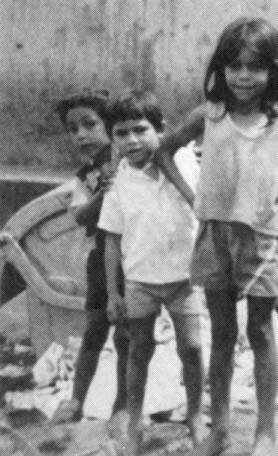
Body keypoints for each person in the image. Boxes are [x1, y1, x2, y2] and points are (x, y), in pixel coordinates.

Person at [154, 17, 278, 456]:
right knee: (220, 335)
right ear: (220, 68)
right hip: (214, 236)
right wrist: (191, 195)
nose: (243, 76)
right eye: (233, 65)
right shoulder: (209, 115)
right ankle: (219, 430)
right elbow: (164, 151)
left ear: (272, 71)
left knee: (260, 332)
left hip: (261, 241)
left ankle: (265, 432)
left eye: (254, 67)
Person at [98, 90, 206, 455]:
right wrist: (113, 293)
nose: (132, 140)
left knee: (191, 348)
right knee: (138, 350)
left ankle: (194, 413)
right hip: (140, 283)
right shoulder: (117, 183)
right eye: (121, 133)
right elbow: (111, 240)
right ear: (112, 139)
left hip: (184, 280)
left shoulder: (187, 165)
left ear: (161, 129)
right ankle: (133, 419)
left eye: (140, 130)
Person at [51, 89, 130, 430]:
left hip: (136, 258)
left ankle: (122, 407)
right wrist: (104, 192)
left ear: (109, 125)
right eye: (73, 129)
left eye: (89, 124)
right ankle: (76, 401)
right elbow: (81, 216)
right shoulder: (87, 175)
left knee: (127, 336)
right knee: (94, 331)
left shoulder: (130, 157)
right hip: (102, 261)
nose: (81, 135)